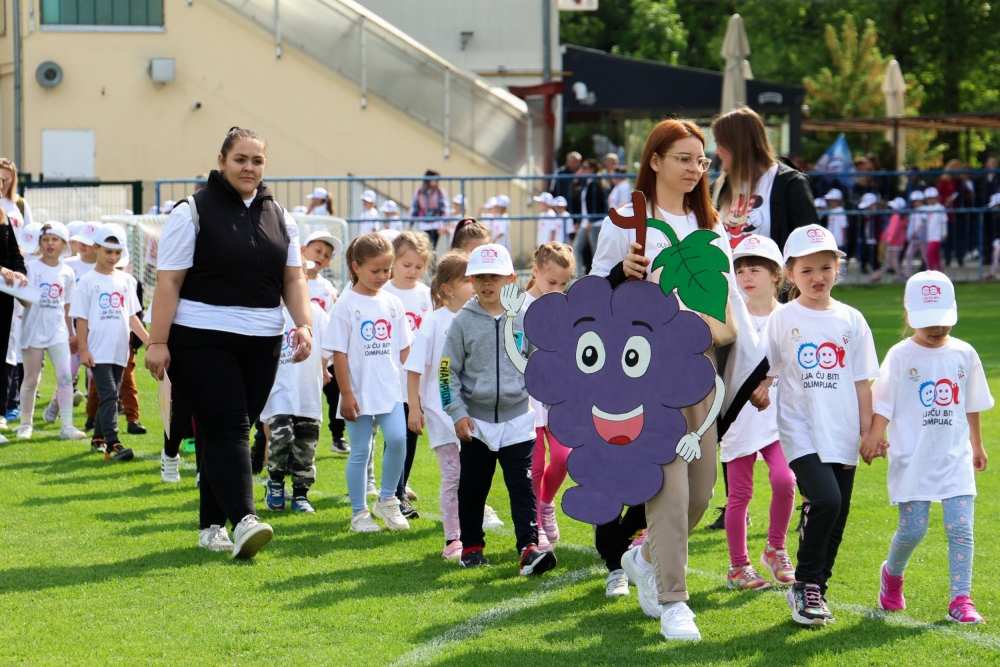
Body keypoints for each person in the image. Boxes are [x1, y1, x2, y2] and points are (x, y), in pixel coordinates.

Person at [592, 119, 738, 642]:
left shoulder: (711, 228)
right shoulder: (625, 223)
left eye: (701, 160)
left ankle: (642, 556)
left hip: (698, 373)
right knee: (669, 491)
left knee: (700, 494)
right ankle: (676, 603)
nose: (695, 169)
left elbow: (727, 314)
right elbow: (590, 304)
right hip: (642, 379)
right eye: (683, 158)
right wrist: (618, 277)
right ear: (655, 160)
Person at [145, 127, 314, 560]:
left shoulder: (281, 216)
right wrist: (157, 341)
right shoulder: (191, 212)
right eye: (241, 159)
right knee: (229, 427)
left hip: (263, 340)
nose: (249, 168)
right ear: (221, 161)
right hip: (199, 337)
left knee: (229, 429)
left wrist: (304, 325)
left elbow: (293, 277)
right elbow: (169, 283)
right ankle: (245, 520)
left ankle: (210, 527)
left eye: (257, 161)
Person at [750, 223, 879, 627]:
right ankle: (804, 583)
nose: (817, 277)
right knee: (826, 501)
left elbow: (862, 382)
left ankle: (816, 591)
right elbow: (769, 366)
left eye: (825, 267)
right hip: (801, 428)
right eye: (806, 270)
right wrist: (764, 387)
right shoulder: (783, 317)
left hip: (841, 429)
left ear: (837, 267)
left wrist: (871, 430)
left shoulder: (852, 319)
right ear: (789, 274)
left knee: (837, 517)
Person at [861, 271, 993, 624]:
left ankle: (960, 600)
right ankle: (892, 574)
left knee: (961, 529)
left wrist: (976, 445)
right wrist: (874, 435)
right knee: (914, 529)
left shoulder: (965, 353)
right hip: (912, 460)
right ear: (908, 314)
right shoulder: (901, 356)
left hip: (955, 457)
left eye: (943, 320)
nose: (936, 328)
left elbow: (971, 403)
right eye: (927, 320)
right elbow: (883, 402)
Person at [441, 243, 558, 575]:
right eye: (479, 277)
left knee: (521, 486)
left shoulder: (526, 315)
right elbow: (447, 371)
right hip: (475, 421)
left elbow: (541, 362)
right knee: (474, 486)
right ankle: (472, 546)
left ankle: (529, 548)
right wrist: (458, 412)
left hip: (519, 419)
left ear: (510, 278)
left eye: (493, 276)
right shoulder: (463, 320)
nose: (486, 283)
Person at [722, 235, 796, 590]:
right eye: (740, 271)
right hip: (739, 420)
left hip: (779, 421)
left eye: (755, 270)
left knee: (785, 480)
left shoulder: (790, 317)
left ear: (776, 275)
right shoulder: (731, 315)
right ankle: (739, 567)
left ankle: (776, 548)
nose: (746, 277)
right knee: (739, 495)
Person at [327, 232, 412, 533]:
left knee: (398, 439)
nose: (382, 276)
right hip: (357, 393)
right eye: (375, 270)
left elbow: (404, 349)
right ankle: (358, 513)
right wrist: (346, 394)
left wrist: (416, 389)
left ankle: (387, 499)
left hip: (390, 389)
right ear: (356, 267)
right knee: (360, 451)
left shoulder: (393, 303)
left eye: (386, 270)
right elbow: (339, 354)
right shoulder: (345, 304)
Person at [404, 250, 477, 558]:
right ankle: (452, 540)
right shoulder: (434, 322)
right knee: (453, 476)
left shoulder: (480, 317)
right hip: (440, 411)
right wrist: (415, 407)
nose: (475, 284)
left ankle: (473, 533)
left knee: (473, 476)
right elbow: (414, 367)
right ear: (448, 288)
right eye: (468, 279)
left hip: (473, 412)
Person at [71, 224, 149, 460]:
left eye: (117, 252)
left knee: (111, 394)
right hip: (98, 350)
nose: (113, 257)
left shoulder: (126, 280)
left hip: (119, 351)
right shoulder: (87, 281)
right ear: (96, 248)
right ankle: (113, 444)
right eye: (108, 252)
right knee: (110, 397)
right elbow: (81, 319)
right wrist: (83, 350)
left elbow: (132, 316)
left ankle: (97, 438)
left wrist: (150, 341)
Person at [523, 242, 576, 551]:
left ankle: (546, 502)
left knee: (564, 457)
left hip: (557, 398)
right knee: (536, 464)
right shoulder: (518, 308)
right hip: (528, 400)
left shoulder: (564, 309)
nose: (557, 288)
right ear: (535, 272)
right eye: (551, 281)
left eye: (564, 283)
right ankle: (537, 526)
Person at [712, 107, 818, 254]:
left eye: (719, 143)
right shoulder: (719, 187)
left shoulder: (791, 184)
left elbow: (810, 246)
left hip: (777, 276)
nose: (716, 152)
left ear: (738, 145)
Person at [17, 222, 86, 440]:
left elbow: (67, 306)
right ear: (39, 243)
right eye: (45, 239)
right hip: (33, 331)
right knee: (31, 379)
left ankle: (66, 425)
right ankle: (25, 424)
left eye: (55, 239)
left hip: (57, 332)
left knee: (65, 377)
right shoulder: (31, 268)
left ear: (63, 244)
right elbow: (23, 302)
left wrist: (71, 333)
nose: (50, 244)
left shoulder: (67, 272)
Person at [261, 299, 331, 515]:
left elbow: (329, 343)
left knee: (306, 445)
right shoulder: (266, 310)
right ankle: (275, 481)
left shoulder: (314, 312)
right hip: (276, 390)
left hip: (307, 391)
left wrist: (323, 368)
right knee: (282, 436)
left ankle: (301, 494)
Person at [383, 231, 434, 518]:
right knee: (395, 437)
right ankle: (392, 493)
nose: (412, 271)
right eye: (407, 265)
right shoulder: (385, 293)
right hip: (389, 378)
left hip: (415, 381)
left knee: (410, 435)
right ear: (393, 262)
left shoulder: (426, 294)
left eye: (418, 266)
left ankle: (398, 491)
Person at [301, 230, 347, 454]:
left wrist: (327, 358)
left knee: (336, 392)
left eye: (326, 255)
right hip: (296, 352)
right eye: (317, 250)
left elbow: (331, 321)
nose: (321, 256)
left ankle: (338, 436)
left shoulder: (328, 288)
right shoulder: (293, 281)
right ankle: (264, 443)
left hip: (323, 353)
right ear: (303, 250)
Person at [410, 170, 449, 246]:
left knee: (432, 247)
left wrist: (445, 224)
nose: (436, 181)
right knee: (423, 246)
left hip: (435, 224)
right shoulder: (419, 192)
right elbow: (414, 208)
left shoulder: (440, 192)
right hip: (422, 224)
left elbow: (444, 209)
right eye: (434, 179)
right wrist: (410, 224)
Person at [0, 157, 33, 242]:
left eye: (5, 179)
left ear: (12, 179)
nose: (2, 184)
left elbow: (30, 232)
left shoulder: (20, 203)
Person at [902, 190, 927, 278]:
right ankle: (907, 274)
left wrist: (916, 231)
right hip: (914, 237)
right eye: (914, 201)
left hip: (922, 237)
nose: (915, 203)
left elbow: (924, 221)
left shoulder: (924, 209)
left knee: (925, 256)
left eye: (916, 200)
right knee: (908, 254)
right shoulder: (915, 211)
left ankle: (932, 272)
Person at [882, 197, 908, 280]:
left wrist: (888, 239)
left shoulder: (896, 217)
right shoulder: (898, 217)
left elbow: (893, 229)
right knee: (890, 259)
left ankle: (899, 275)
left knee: (892, 259)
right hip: (895, 241)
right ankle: (900, 273)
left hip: (894, 241)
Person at [550, 151, 582, 217]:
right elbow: (553, 188)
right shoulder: (560, 172)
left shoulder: (581, 173)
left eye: (578, 162)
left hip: (577, 207)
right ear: (568, 161)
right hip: (562, 207)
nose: (577, 164)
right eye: (575, 162)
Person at [924, 187, 948, 272]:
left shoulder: (940, 208)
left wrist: (944, 234)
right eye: (929, 199)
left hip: (937, 235)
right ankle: (940, 271)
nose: (931, 200)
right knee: (936, 256)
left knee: (929, 253)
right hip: (930, 236)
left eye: (932, 198)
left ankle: (930, 271)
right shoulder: (927, 208)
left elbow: (944, 222)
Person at [824, 190, 848, 254]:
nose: (831, 202)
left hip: (839, 239)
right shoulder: (831, 210)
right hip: (831, 239)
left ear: (838, 200)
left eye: (833, 200)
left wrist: (843, 238)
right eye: (830, 200)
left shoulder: (841, 211)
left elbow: (843, 226)